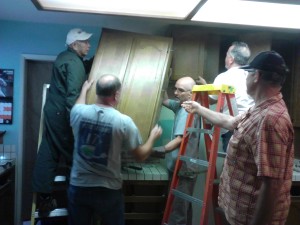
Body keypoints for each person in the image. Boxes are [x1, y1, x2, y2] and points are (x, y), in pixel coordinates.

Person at [182, 51, 294, 225]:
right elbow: (230, 121)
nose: (245, 78)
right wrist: (198, 108)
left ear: (257, 76)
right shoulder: (259, 110)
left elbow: (272, 185)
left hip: (251, 219)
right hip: (240, 214)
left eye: (248, 73)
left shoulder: (270, 119)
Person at [67, 75, 162, 225]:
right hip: (108, 189)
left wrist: (84, 90)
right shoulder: (124, 122)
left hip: (79, 185)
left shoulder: (78, 112)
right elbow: (140, 156)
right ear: (116, 94)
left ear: (97, 91)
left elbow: (79, 104)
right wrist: (152, 137)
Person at [32, 28, 94, 217]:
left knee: (49, 149)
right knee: (74, 153)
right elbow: (72, 97)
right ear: (75, 45)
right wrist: (76, 124)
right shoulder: (74, 63)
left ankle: (43, 199)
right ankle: (76, 200)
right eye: (85, 42)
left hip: (53, 110)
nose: (88, 44)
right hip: (62, 114)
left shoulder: (65, 57)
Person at [152, 76, 197, 225]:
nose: (176, 93)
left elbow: (179, 140)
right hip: (177, 166)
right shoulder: (180, 105)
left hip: (184, 168)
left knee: (178, 211)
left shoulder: (187, 110)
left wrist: (153, 151)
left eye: (180, 90)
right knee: (181, 207)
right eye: (175, 88)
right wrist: (163, 77)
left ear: (191, 94)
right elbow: (164, 100)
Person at [197, 41, 254, 152]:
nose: (225, 57)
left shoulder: (224, 77)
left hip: (232, 126)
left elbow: (211, 100)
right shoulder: (252, 76)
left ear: (231, 59)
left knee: (232, 161)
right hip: (252, 125)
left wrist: (202, 89)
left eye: (227, 54)